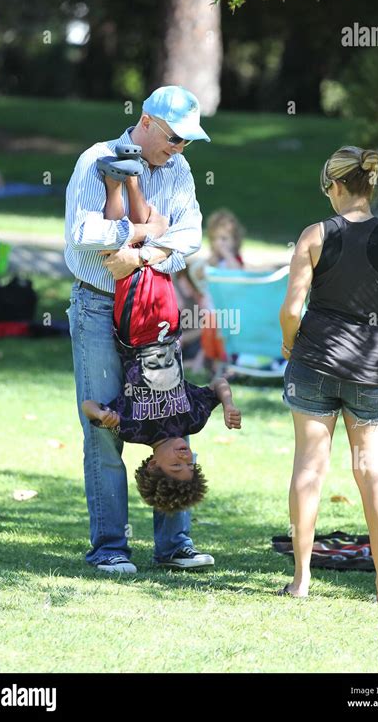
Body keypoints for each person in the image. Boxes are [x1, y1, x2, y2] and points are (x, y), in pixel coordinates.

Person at [65, 85, 220, 574]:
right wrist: (143, 232)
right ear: (148, 122)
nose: (180, 149)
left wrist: (142, 254)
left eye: (188, 142)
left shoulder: (179, 169)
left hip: (151, 308)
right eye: (175, 138)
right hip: (97, 304)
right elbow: (82, 233)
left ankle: (175, 546)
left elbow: (190, 234)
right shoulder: (95, 158)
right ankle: (110, 548)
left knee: (171, 420)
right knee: (104, 430)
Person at [279, 145, 378, 604]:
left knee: (309, 468)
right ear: (371, 184)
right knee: (374, 474)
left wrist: (290, 343)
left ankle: (301, 581)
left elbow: (290, 309)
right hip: (374, 374)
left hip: (315, 363)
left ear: (337, 186)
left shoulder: (314, 235)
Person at [81, 172, 241, 515]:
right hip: (169, 326)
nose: (186, 459)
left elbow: (88, 408)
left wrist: (105, 416)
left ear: (153, 465)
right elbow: (218, 383)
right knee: (151, 254)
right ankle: (134, 182)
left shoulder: (135, 428)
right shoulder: (193, 420)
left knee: (125, 254)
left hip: (136, 331)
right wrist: (227, 405)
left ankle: (114, 184)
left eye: (176, 467)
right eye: (190, 466)